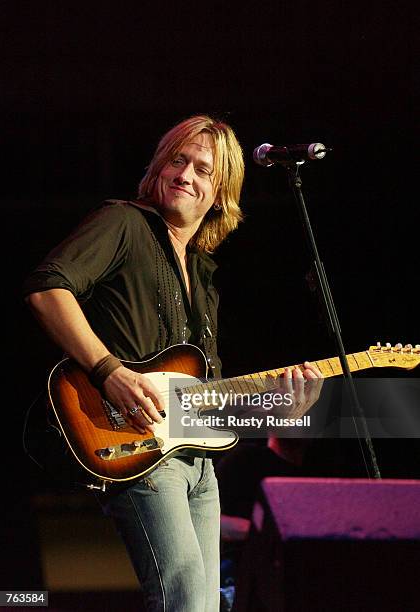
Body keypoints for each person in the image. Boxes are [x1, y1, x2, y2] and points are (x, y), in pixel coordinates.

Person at [23, 115, 322, 612]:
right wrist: (108, 370)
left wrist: (281, 411)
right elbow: (46, 289)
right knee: (182, 601)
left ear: (220, 192)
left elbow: (207, 403)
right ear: (158, 168)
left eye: (202, 169)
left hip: (198, 465)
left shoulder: (203, 273)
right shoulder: (123, 222)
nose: (185, 175)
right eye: (176, 161)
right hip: (139, 450)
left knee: (203, 606)